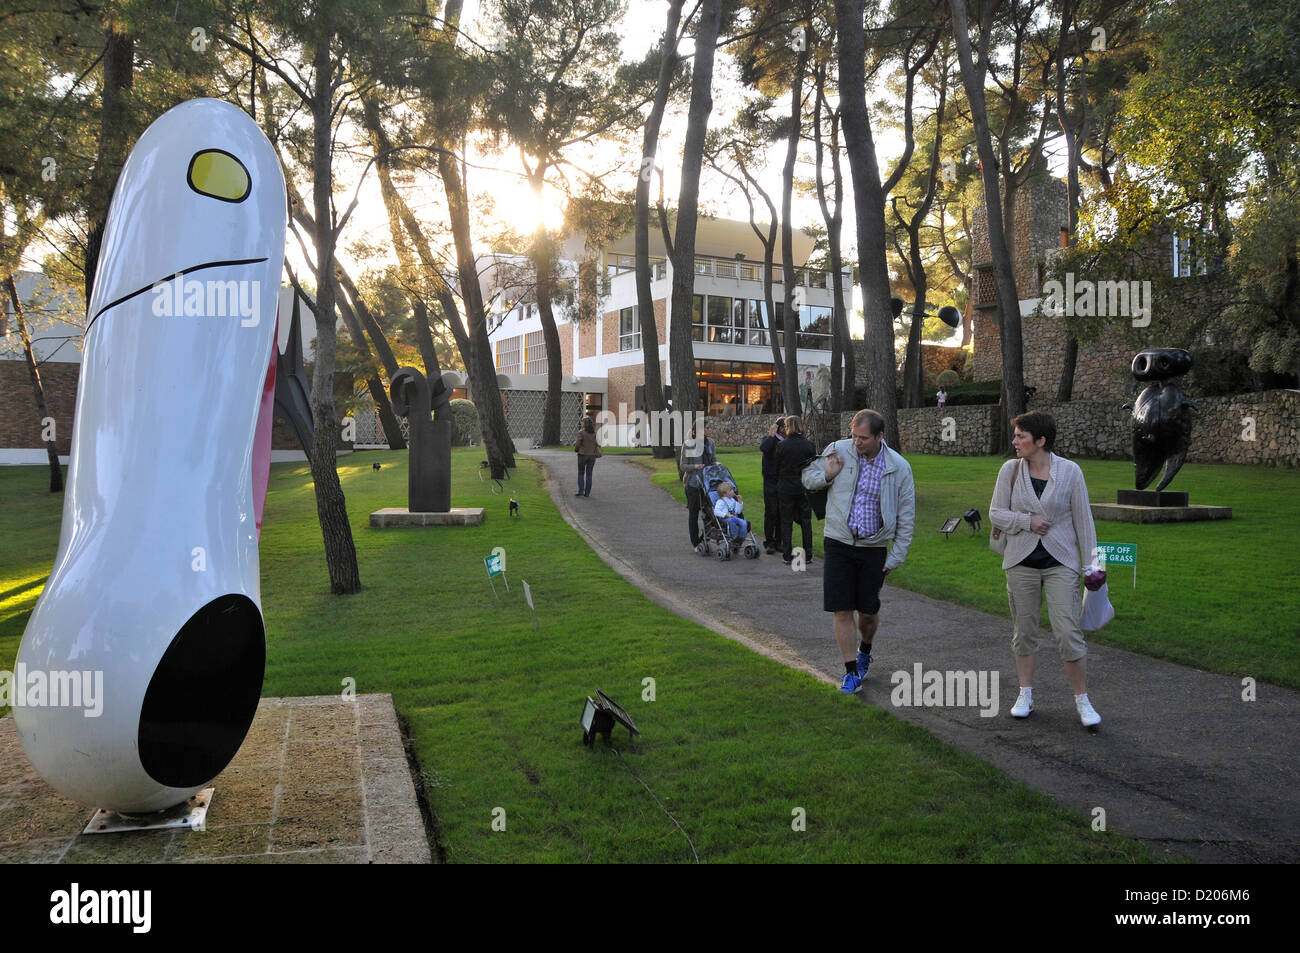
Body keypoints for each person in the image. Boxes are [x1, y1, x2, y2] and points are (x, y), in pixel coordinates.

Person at [989, 411, 1103, 728]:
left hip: (1061, 563)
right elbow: (996, 513)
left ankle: (1082, 700)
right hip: (1020, 562)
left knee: (1067, 631)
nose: (1014, 442)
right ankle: (1025, 694)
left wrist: (1093, 566)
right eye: (1015, 436)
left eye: (1020, 436)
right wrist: (1028, 521)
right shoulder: (1009, 470)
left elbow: (1085, 522)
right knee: (1024, 632)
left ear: (1040, 441)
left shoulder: (1071, 472)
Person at [802, 409, 915, 695]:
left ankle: (866, 648)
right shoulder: (838, 450)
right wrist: (827, 474)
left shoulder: (898, 467)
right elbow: (808, 478)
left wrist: (896, 556)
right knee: (842, 609)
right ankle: (851, 672)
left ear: (880, 436)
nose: (856, 442)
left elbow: (906, 515)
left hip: (873, 548)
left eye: (863, 438)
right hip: (838, 542)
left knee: (867, 613)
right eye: (854, 435)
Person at [774, 415, 815, 566]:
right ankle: (808, 554)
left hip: (786, 487)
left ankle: (787, 554)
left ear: (788, 427)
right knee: (806, 521)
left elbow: (776, 466)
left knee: (786, 522)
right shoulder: (808, 445)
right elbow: (812, 466)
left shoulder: (782, 445)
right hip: (803, 486)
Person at [680, 420, 717, 552]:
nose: (708, 430)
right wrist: (696, 466)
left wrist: (717, 466)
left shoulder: (710, 443)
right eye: (706, 428)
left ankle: (705, 538)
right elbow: (683, 466)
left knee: (710, 513)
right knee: (694, 513)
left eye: (708, 427)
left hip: (707, 484)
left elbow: (713, 460)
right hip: (693, 484)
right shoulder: (689, 445)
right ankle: (696, 543)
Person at [759, 417, 785, 554]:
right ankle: (769, 541)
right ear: (780, 428)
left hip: (782, 481)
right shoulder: (769, 440)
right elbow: (764, 448)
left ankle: (779, 541)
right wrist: (771, 434)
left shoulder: (786, 442)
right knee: (771, 512)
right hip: (770, 481)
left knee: (781, 512)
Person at [573, 416, 600, 497]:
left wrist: (576, 450)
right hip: (592, 456)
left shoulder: (581, 432)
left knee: (581, 473)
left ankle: (581, 491)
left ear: (585, 424)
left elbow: (577, 445)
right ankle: (587, 493)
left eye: (582, 422)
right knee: (589, 474)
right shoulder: (594, 433)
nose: (581, 423)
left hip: (583, 455)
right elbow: (596, 444)